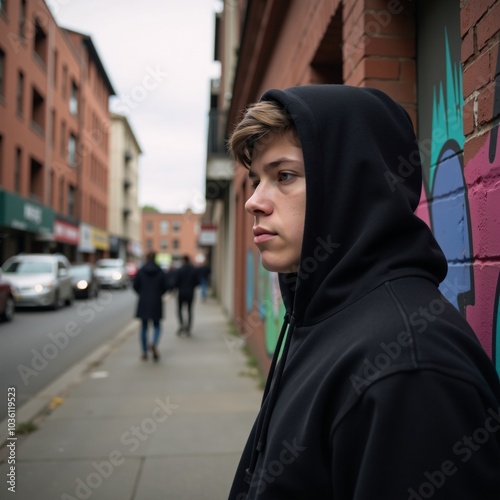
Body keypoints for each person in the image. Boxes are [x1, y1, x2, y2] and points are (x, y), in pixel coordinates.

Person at [227, 85, 500, 499]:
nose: (253, 202)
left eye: (284, 176)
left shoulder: (409, 366)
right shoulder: (322, 316)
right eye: (255, 180)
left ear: (353, 184)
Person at [133, 250, 170, 361]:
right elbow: (166, 286)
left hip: (143, 301)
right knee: (157, 325)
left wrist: (142, 294)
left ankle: (144, 352)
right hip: (156, 301)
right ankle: (153, 342)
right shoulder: (160, 271)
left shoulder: (141, 271)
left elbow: (135, 285)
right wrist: (158, 294)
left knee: (144, 327)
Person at [174, 254, 199, 336]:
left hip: (181, 292)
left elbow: (176, 282)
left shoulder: (180, 270)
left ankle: (182, 325)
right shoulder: (194, 270)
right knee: (189, 310)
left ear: (183, 260)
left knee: (180, 310)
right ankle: (188, 328)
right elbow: (197, 282)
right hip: (190, 292)